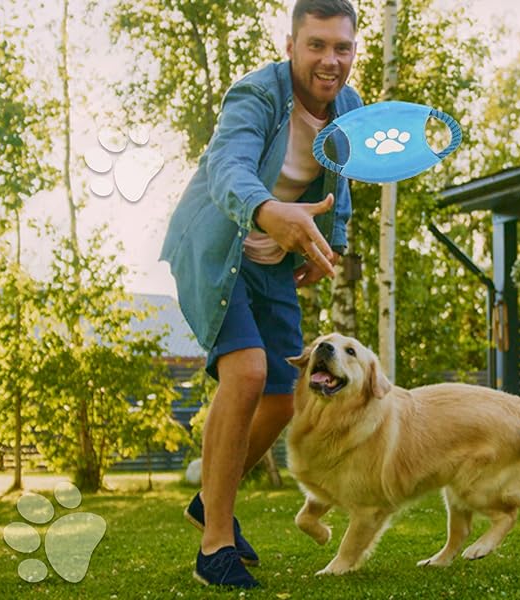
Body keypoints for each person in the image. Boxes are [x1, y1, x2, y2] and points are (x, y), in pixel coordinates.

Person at [159, 0, 362, 589]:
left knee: (284, 393)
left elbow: (339, 183)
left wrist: (334, 245)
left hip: (274, 261)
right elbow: (228, 167)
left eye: (342, 48)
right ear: (292, 45)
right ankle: (215, 542)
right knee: (246, 374)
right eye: (317, 45)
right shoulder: (257, 95)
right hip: (218, 248)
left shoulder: (348, 109)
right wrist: (269, 211)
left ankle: (209, 499)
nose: (330, 60)